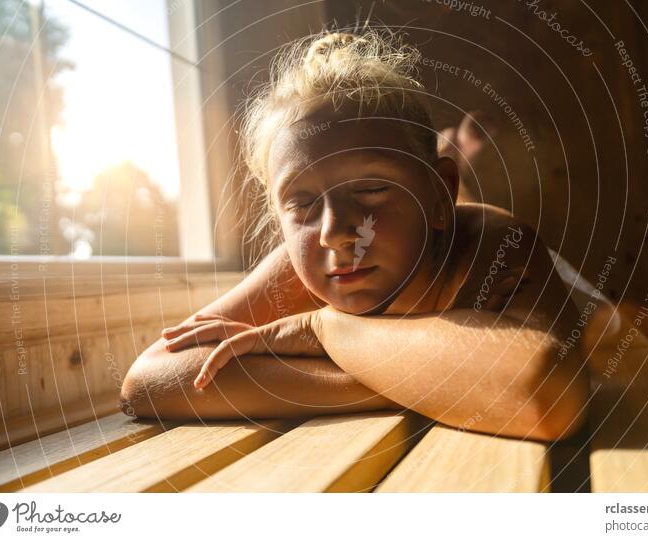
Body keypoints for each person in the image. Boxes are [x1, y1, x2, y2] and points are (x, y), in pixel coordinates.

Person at [119, 30, 589, 441]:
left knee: (605, 321)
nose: (334, 233)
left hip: (578, 299)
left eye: (371, 189)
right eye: (302, 203)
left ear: (441, 194)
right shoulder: (301, 264)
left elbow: (549, 397)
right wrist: (434, 382)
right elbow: (150, 380)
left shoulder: (495, 243)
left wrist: (323, 328)